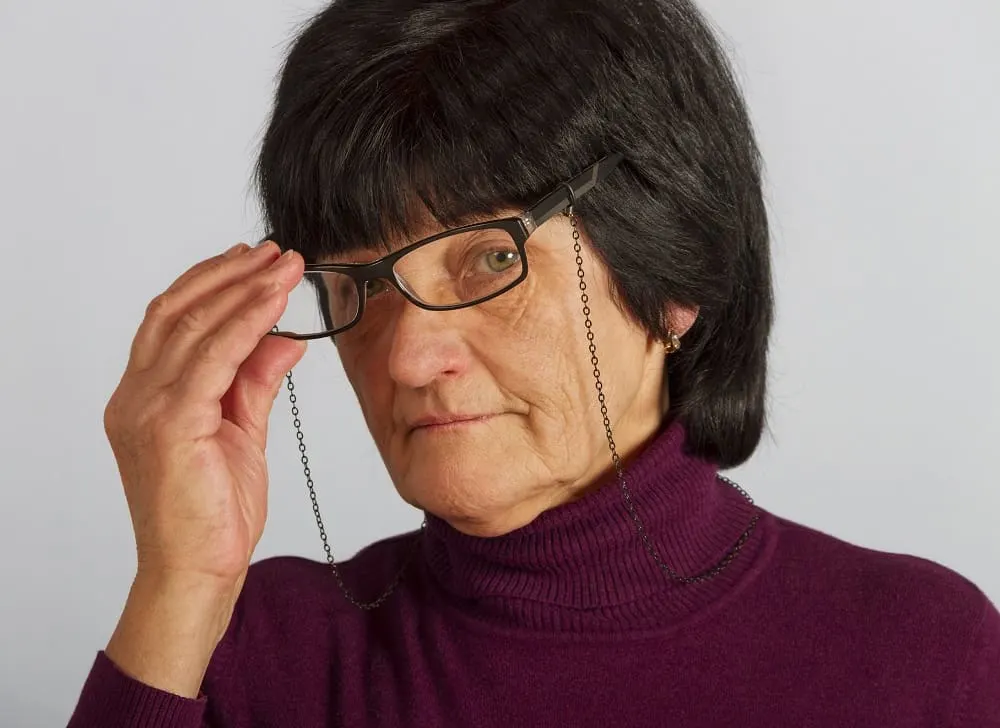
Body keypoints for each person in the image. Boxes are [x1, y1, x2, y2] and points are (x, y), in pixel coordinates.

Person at [68, 1, 999, 726]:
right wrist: (180, 585)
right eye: (359, 284)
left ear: (672, 279)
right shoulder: (245, 651)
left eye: (489, 259)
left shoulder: (920, 658)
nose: (408, 355)